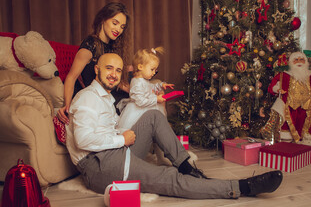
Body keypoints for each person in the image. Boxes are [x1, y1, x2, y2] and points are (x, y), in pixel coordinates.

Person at [66, 53, 283, 199]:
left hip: (113, 152)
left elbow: (107, 131)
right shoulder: (87, 98)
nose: (114, 74)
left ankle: (186, 166)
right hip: (98, 165)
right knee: (166, 178)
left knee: (153, 116)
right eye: (109, 68)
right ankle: (241, 188)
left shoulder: (105, 97)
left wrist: (122, 136)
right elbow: (83, 140)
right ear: (96, 69)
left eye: (118, 70)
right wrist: (122, 139)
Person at [57, 2, 132, 124]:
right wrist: (67, 106)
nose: (118, 29)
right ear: (103, 19)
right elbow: (71, 77)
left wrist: (135, 91)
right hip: (95, 98)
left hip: (108, 93)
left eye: (122, 27)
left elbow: (114, 80)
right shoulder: (90, 45)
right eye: (115, 23)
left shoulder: (111, 46)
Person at [260, 51, 311, 143]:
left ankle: (303, 144)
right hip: (289, 107)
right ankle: (287, 143)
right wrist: (277, 89)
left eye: (301, 60)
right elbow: (273, 86)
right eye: (296, 60)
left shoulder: (310, 75)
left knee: (303, 125)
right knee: (287, 127)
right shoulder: (285, 75)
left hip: (305, 107)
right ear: (291, 62)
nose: (299, 62)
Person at [117, 46, 174, 131]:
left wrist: (162, 85)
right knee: (140, 130)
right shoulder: (136, 82)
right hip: (138, 111)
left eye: (155, 70)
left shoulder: (144, 80)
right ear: (140, 67)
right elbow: (140, 101)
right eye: (152, 69)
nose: (154, 73)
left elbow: (151, 87)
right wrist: (156, 99)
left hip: (147, 107)